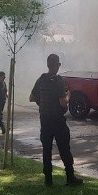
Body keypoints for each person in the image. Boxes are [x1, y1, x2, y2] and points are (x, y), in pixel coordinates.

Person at [29, 54, 82, 187]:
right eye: (58, 65)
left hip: (44, 119)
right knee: (64, 148)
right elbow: (63, 103)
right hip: (57, 120)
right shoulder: (59, 81)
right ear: (56, 65)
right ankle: (70, 177)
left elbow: (31, 97)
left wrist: (42, 101)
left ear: (48, 65)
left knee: (46, 149)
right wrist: (68, 96)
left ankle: (48, 180)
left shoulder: (41, 79)